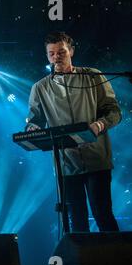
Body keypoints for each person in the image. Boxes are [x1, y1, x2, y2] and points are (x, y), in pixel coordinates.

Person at [26, 32, 122, 232]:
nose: (56, 57)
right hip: (66, 164)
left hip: (97, 159)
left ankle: (115, 262)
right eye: (51, 53)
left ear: (71, 51)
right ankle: (84, 264)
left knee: (103, 214)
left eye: (61, 52)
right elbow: (35, 120)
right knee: (76, 222)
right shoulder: (40, 88)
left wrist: (99, 125)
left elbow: (114, 112)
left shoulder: (93, 76)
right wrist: (32, 129)